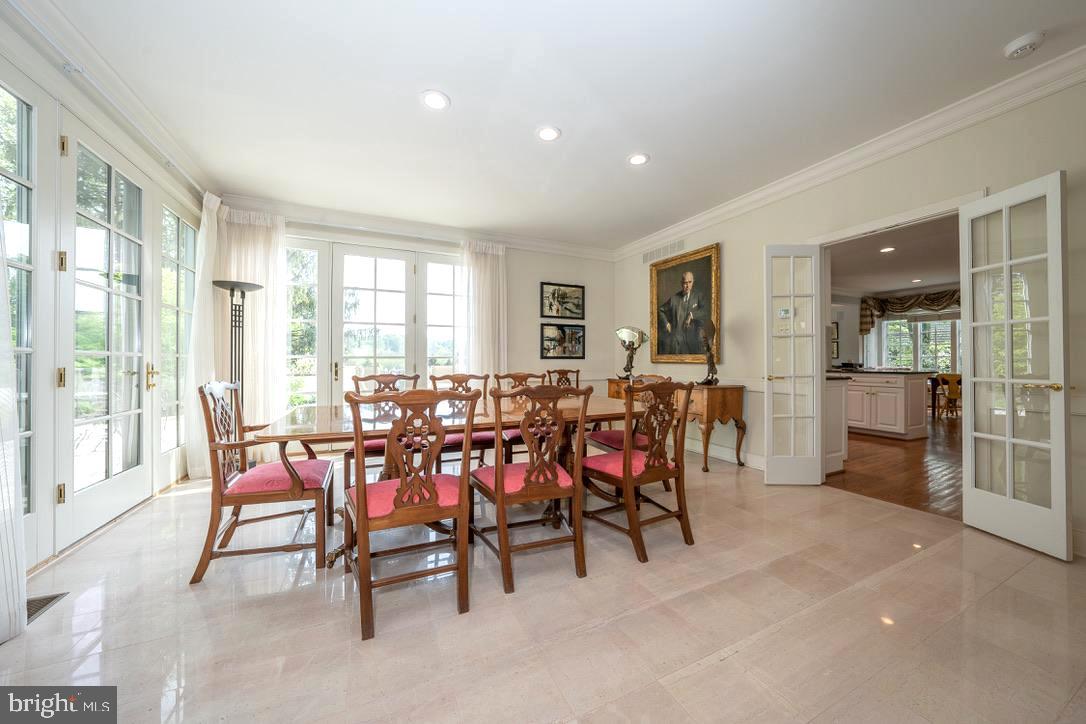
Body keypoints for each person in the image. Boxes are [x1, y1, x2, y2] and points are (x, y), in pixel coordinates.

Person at [657, 270, 708, 354]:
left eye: (689, 282)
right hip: (677, 343)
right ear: (681, 283)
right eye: (685, 283)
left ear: (693, 282)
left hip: (693, 343)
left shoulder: (698, 296)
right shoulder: (674, 299)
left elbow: (705, 311)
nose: (687, 286)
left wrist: (692, 315)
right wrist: (666, 323)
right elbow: (660, 310)